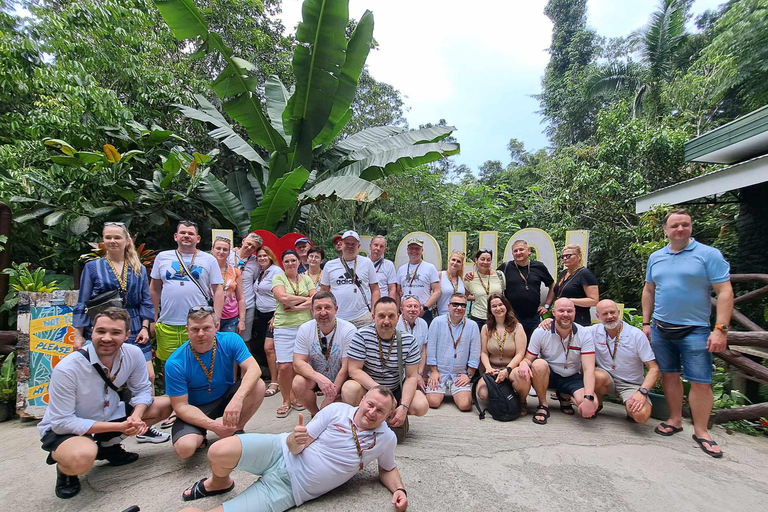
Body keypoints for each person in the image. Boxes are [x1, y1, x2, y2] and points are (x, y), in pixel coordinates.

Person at [176, 387, 408, 512]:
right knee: (218, 451)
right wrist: (295, 440)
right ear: (363, 399)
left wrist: (400, 491)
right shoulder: (337, 410)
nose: (371, 412)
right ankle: (220, 483)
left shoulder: (386, 438)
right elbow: (297, 447)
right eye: (370, 404)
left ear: (388, 416)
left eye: (380, 411)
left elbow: (388, 468)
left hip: (290, 489)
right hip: (279, 449)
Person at [39, 308, 173, 499]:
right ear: (92, 331)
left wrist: (137, 414)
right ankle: (65, 467)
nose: (107, 338)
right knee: (82, 456)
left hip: (109, 413)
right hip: (70, 428)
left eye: (115, 332)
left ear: (127, 335)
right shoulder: (68, 368)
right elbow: (62, 422)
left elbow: (142, 390)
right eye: (101, 331)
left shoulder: (133, 354)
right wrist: (120, 426)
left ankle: (109, 447)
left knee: (164, 406)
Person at [642, 209, 733, 457]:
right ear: (665, 229)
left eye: (685, 225)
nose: (679, 229)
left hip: (696, 329)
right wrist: (646, 322)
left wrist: (720, 329)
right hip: (661, 328)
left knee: (700, 381)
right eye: (674, 226)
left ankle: (702, 431)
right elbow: (649, 290)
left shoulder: (708, 255)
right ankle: (674, 420)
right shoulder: (656, 257)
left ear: (691, 227)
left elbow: (724, 292)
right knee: (669, 376)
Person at [165, 306, 266, 459]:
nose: (200, 334)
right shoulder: (175, 362)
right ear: (187, 330)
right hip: (196, 408)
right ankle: (203, 433)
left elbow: (254, 369)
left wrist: (237, 400)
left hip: (226, 397)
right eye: (195, 329)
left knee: (258, 384)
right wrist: (214, 427)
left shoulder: (230, 340)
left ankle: (234, 430)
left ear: (216, 326)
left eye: (206, 328)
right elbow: (180, 405)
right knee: (185, 449)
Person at [73, 222, 157, 390]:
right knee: (104, 376)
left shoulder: (138, 268)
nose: (112, 241)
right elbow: (83, 301)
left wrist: (145, 327)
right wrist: (78, 335)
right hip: (103, 326)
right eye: (108, 237)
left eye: (117, 237)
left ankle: (143, 414)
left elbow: (145, 301)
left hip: (133, 325)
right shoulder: (92, 267)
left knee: (148, 376)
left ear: (126, 241)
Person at [342, 297, 429, 437]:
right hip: (369, 388)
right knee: (349, 389)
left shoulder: (409, 340)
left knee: (421, 405)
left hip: (395, 388)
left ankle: (394, 416)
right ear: (373, 316)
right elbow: (354, 370)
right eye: (381, 316)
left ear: (398, 317)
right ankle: (360, 421)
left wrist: (404, 407)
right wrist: (381, 392)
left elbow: (412, 376)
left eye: (391, 316)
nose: (386, 321)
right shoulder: (361, 336)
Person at [150, 220, 224, 362]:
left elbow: (218, 290)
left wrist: (216, 318)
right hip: (167, 322)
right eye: (183, 233)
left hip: (198, 324)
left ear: (198, 239)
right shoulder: (162, 257)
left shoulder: (209, 259)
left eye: (191, 233)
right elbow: (154, 288)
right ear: (175, 236)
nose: (186, 236)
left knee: (199, 363)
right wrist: (153, 317)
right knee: (169, 364)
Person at [518, 298, 598, 425]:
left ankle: (565, 395)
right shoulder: (541, 331)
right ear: (553, 312)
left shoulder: (584, 333)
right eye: (561, 311)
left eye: (569, 311)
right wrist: (523, 363)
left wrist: (588, 398)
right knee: (539, 364)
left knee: (592, 404)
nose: (565, 314)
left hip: (572, 377)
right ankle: (543, 405)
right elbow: (529, 358)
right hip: (549, 376)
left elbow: (588, 369)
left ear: (575, 313)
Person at [593, 300, 659, 423]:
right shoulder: (593, 331)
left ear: (619, 312)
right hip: (607, 378)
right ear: (598, 316)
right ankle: (597, 404)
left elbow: (654, 368)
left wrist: (642, 392)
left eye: (612, 312)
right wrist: (550, 321)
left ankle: (630, 407)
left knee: (641, 416)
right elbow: (571, 328)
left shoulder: (636, 335)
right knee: (595, 375)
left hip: (631, 384)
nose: (609, 317)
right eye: (605, 314)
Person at [292, 291, 357, 416]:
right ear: (312, 310)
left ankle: (345, 417)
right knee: (298, 382)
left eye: (327, 308)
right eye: (318, 308)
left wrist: (330, 397)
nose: (323, 312)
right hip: (318, 378)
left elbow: (346, 367)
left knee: (352, 389)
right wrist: (318, 378)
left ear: (336, 309)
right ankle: (317, 415)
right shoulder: (305, 329)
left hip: (343, 379)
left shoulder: (349, 330)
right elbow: (298, 362)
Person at [272, 250, 316, 418]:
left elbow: (316, 298)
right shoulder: (278, 278)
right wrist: (305, 300)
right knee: (284, 366)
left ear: (299, 262)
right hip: (284, 327)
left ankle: (297, 397)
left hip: (305, 326)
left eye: (293, 260)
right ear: (283, 264)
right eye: (287, 261)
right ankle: (285, 400)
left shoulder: (306, 279)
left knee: (299, 364)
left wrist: (296, 306)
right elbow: (282, 297)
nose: (290, 263)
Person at [424, 293, 480, 411]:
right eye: (455, 304)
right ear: (448, 306)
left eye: (463, 305)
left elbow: (475, 352)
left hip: (458, 374)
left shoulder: (472, 325)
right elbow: (431, 348)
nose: (459, 308)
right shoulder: (437, 322)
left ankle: (457, 390)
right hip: (439, 372)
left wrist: (469, 375)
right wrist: (433, 371)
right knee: (433, 402)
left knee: (465, 405)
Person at [477, 293, 529, 415]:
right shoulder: (486, 328)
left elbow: (520, 354)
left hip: (512, 368)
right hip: (493, 369)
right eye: (494, 306)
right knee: (483, 394)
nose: (498, 308)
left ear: (506, 306)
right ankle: (502, 398)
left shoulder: (517, 327)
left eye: (500, 304)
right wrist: (488, 368)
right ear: (490, 310)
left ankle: (521, 401)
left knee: (522, 377)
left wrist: (507, 370)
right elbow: (484, 352)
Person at [320, 230, 380, 329]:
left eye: (353, 244)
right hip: (338, 317)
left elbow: (375, 289)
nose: (350, 246)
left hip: (363, 317)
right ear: (341, 244)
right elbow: (323, 291)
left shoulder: (367, 262)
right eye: (347, 243)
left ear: (359, 246)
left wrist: (374, 311)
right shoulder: (330, 265)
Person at [498, 240, 554, 342]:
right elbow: (488, 276)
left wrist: (546, 305)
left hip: (534, 316)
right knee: (513, 346)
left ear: (528, 251)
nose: (518, 252)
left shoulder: (539, 267)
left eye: (521, 249)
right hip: (512, 316)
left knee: (533, 347)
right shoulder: (505, 267)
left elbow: (552, 286)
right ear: (512, 254)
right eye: (515, 251)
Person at [253, 246, 283, 397]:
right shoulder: (261, 272)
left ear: (271, 256)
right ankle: (278, 379)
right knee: (271, 349)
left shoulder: (276, 271)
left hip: (274, 314)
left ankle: (275, 381)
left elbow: (282, 294)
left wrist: (276, 315)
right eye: (259, 256)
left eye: (265, 255)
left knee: (269, 348)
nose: (262, 258)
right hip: (262, 315)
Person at [549, 244, 599, 328]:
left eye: (568, 256)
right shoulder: (564, 273)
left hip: (578, 320)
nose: (565, 258)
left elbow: (594, 301)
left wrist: (569, 301)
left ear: (579, 256)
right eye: (563, 256)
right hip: (560, 320)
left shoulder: (585, 274)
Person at [395, 237, 440, 325]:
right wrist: (397, 311)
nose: (414, 251)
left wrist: (424, 308)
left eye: (417, 248)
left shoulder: (430, 268)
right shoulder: (401, 269)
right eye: (411, 248)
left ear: (422, 250)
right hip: (405, 312)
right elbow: (397, 292)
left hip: (423, 311)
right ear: (407, 250)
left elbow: (437, 291)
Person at [234, 233, 263, 354]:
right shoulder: (229, 255)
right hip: (228, 304)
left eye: (253, 247)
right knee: (227, 340)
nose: (249, 248)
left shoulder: (255, 263)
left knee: (245, 340)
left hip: (247, 304)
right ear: (243, 241)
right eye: (248, 244)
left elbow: (256, 281)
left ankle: (248, 371)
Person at [211, 236, 246, 335]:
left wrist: (242, 320)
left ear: (229, 252)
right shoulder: (206, 270)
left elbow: (241, 298)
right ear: (212, 250)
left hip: (230, 317)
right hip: (209, 315)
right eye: (218, 248)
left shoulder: (235, 272)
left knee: (227, 346)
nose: (221, 252)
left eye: (225, 249)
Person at [464, 249, 505, 329]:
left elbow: (504, 296)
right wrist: (477, 297)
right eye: (482, 259)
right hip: (478, 319)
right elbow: (464, 297)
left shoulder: (499, 275)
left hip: (497, 317)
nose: (485, 262)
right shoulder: (470, 278)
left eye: (488, 260)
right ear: (476, 260)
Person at [398, 295, 429, 391]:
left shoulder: (423, 323)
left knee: (421, 402)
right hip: (397, 373)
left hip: (416, 372)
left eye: (415, 306)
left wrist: (419, 374)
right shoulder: (395, 323)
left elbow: (423, 351)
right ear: (402, 309)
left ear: (420, 309)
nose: (412, 309)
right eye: (409, 306)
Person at [436, 250, 466, 316]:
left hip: (460, 316)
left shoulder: (461, 279)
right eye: (453, 260)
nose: (455, 263)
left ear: (461, 265)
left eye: (458, 261)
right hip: (443, 315)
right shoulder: (440, 275)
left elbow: (466, 296)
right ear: (448, 261)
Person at [369, 235, 398, 301]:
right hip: (365, 304)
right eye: (376, 245)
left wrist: (391, 305)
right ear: (370, 246)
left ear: (385, 249)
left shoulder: (389, 265)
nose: (378, 248)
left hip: (382, 304)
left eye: (381, 246)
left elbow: (392, 288)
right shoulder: (363, 263)